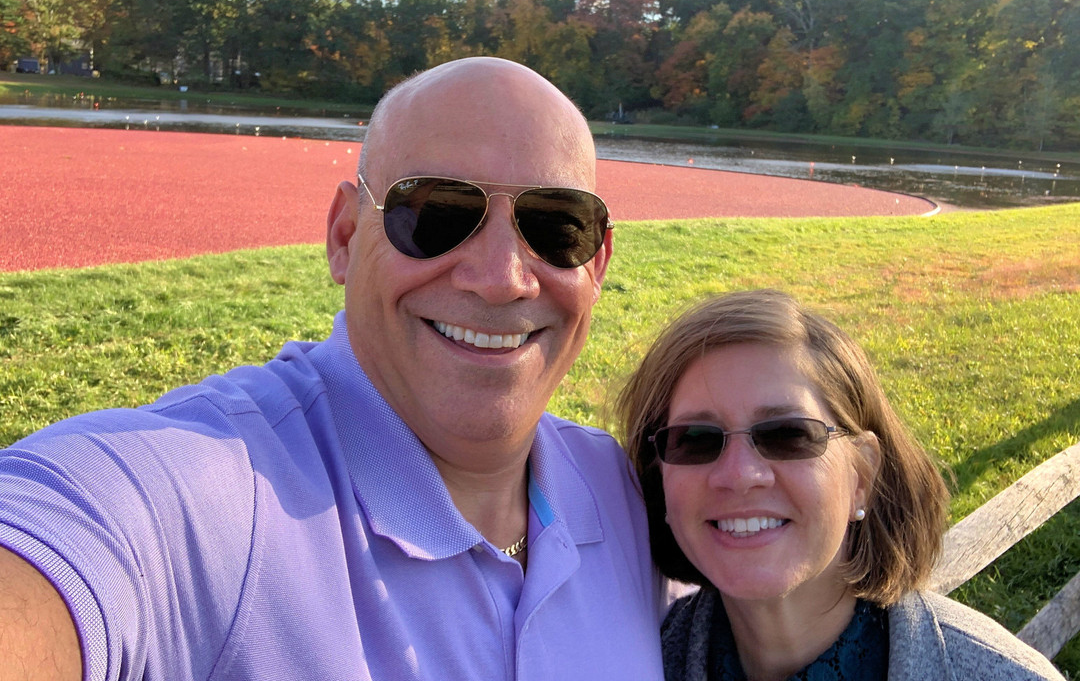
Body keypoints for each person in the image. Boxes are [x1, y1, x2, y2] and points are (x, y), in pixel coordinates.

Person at [0, 57, 668, 680]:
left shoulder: (632, 494)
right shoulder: (204, 499)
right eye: (437, 216)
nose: (501, 279)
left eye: (556, 228)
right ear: (345, 237)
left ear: (597, 263)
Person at [618, 289, 1064, 681]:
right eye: (695, 441)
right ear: (660, 481)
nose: (739, 475)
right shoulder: (620, 664)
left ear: (862, 477)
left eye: (787, 435)